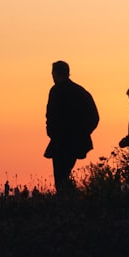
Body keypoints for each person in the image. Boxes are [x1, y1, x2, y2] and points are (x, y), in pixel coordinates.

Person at [44, 60, 100, 194]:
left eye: (53, 73)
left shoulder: (56, 91)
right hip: (73, 141)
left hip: (61, 142)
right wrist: (83, 134)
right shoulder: (80, 92)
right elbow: (94, 117)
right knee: (63, 176)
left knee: (61, 178)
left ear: (56, 74)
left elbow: (50, 115)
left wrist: (53, 132)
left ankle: (69, 205)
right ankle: (71, 202)